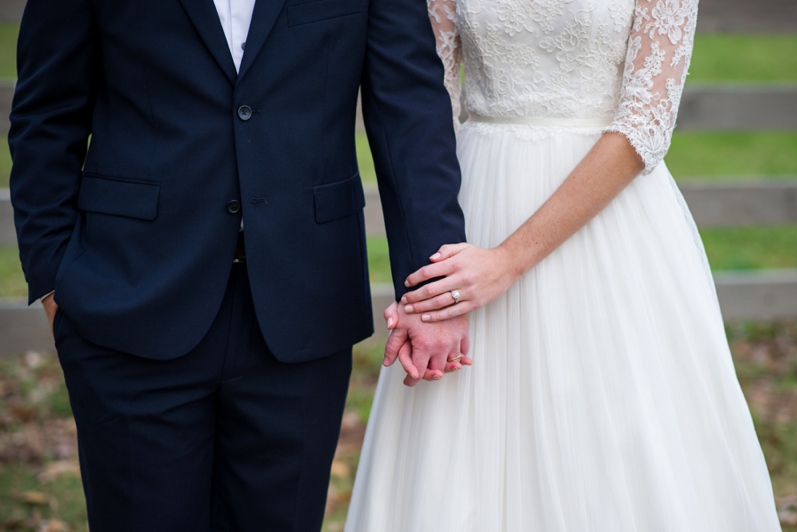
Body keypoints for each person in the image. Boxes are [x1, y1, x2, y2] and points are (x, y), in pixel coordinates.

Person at [8, 0, 471, 529]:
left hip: (303, 306)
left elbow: (409, 112)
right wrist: (53, 281)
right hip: (129, 303)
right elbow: (46, 115)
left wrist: (433, 295)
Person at [346, 0, 783, 530]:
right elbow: (423, 95)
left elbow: (645, 122)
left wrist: (508, 260)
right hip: (474, 201)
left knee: (609, 432)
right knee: (460, 438)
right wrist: (426, 248)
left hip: (606, 220)